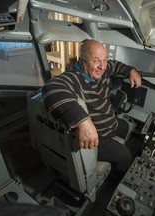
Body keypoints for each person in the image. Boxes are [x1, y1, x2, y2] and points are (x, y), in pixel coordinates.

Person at [42, 39, 142, 176]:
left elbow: (116, 65)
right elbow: (51, 88)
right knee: (126, 155)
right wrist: (82, 120)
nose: (102, 66)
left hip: (109, 123)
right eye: (96, 61)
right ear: (82, 61)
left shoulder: (103, 69)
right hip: (97, 136)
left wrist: (131, 71)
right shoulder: (73, 77)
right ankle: (116, 174)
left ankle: (115, 151)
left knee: (125, 126)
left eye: (104, 60)